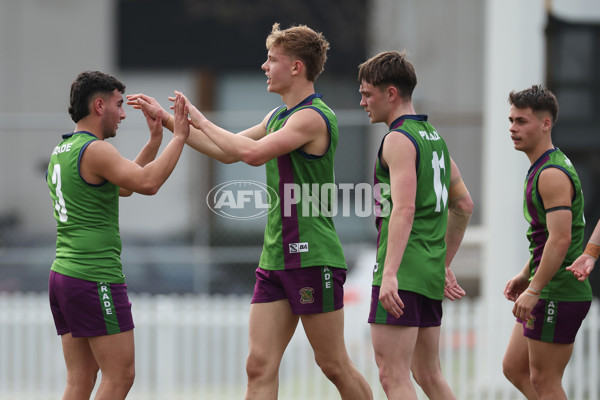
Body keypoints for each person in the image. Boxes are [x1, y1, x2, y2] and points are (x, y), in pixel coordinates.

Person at [127, 23, 373, 400]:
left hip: (312, 256)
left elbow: (251, 155)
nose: (264, 66)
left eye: (272, 59)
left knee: (333, 365)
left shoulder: (313, 116)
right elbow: (227, 150)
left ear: (296, 68)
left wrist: (201, 117)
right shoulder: (277, 118)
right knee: (258, 365)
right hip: (275, 257)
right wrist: (170, 121)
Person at [46, 71, 190, 400]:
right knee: (120, 376)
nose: (123, 114)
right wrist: (179, 136)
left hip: (64, 276)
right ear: (99, 105)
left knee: (80, 380)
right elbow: (147, 183)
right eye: (119, 105)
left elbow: (123, 186)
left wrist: (154, 141)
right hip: (94, 276)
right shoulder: (96, 150)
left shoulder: (63, 149)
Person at [357, 50, 473, 399]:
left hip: (403, 271)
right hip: (427, 271)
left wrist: (390, 272)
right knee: (428, 374)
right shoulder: (433, 138)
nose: (362, 101)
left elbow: (403, 209)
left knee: (393, 375)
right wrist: (443, 262)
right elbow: (464, 205)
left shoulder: (398, 139)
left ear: (390, 93)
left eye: (366, 93)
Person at [502, 85, 592, 400]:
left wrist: (534, 289)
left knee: (545, 380)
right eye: (511, 120)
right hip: (547, 285)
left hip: (559, 291)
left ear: (545, 124)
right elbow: (545, 237)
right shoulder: (541, 166)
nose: (513, 128)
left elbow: (562, 239)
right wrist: (526, 274)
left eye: (521, 121)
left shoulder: (551, 173)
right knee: (514, 368)